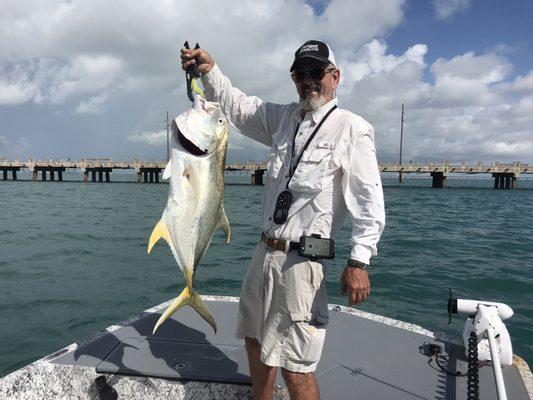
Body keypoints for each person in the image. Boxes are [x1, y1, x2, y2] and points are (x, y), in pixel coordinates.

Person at [181, 40, 385, 400]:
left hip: (303, 264)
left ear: (334, 78)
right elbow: (239, 107)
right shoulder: (283, 119)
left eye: (316, 72)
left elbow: (369, 203)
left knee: (296, 366)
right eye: (300, 74)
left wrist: (359, 261)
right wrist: (210, 70)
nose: (308, 81)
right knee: (255, 341)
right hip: (264, 253)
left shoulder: (352, 129)